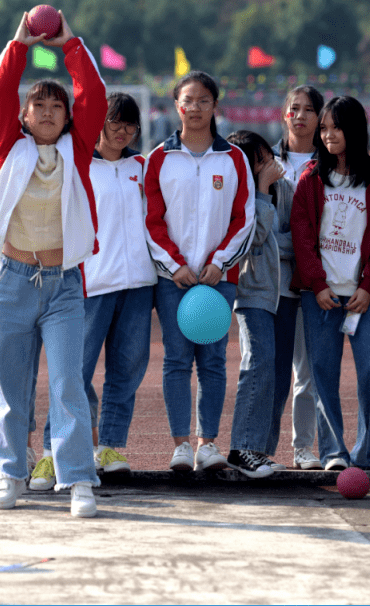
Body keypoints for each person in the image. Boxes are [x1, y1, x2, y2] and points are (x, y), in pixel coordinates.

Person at [0, 10, 105, 517]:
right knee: (11, 388)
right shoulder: (9, 148)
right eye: (37, 104)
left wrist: (70, 46)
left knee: (69, 386)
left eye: (55, 105)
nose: (46, 110)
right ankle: (9, 473)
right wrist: (19, 44)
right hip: (13, 282)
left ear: (68, 118)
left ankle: (79, 481)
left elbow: (95, 96)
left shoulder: (79, 151)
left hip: (64, 285)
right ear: (23, 117)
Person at [31, 92, 154, 489]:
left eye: (129, 124)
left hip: (137, 285)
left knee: (126, 372)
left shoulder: (143, 167)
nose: (122, 131)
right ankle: (53, 453)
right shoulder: (78, 165)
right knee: (73, 374)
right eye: (114, 122)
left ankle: (111, 446)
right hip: (89, 285)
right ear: (99, 123)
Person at [144, 70, 255, 473]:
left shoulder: (234, 158)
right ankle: (180, 445)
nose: (194, 108)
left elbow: (244, 218)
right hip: (172, 280)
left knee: (211, 362)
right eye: (187, 100)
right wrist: (174, 265)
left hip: (218, 281)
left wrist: (218, 262)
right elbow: (151, 219)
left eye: (203, 100)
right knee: (175, 360)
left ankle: (207, 444)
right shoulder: (159, 158)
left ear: (214, 106)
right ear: (177, 105)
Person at [290, 95, 370, 472]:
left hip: (362, 297)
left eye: (336, 127)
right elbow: (302, 236)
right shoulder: (310, 177)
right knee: (323, 374)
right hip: (319, 295)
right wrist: (317, 284)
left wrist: (369, 286)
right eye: (324, 128)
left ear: (353, 130)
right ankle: (333, 452)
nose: (329, 135)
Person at [224, 130, 291, 478]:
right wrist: (262, 191)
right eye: (259, 161)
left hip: (287, 294)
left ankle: (261, 450)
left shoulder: (286, 190)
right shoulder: (243, 196)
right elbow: (254, 238)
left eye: (269, 157)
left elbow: (301, 236)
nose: (269, 165)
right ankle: (242, 448)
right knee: (258, 362)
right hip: (252, 292)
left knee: (277, 374)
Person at [274, 85, 324, 471]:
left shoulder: (332, 166)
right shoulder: (265, 162)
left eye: (309, 109)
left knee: (307, 372)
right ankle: (260, 447)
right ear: (284, 114)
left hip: (314, 282)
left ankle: (303, 448)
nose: (301, 115)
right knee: (268, 370)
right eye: (295, 108)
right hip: (270, 282)